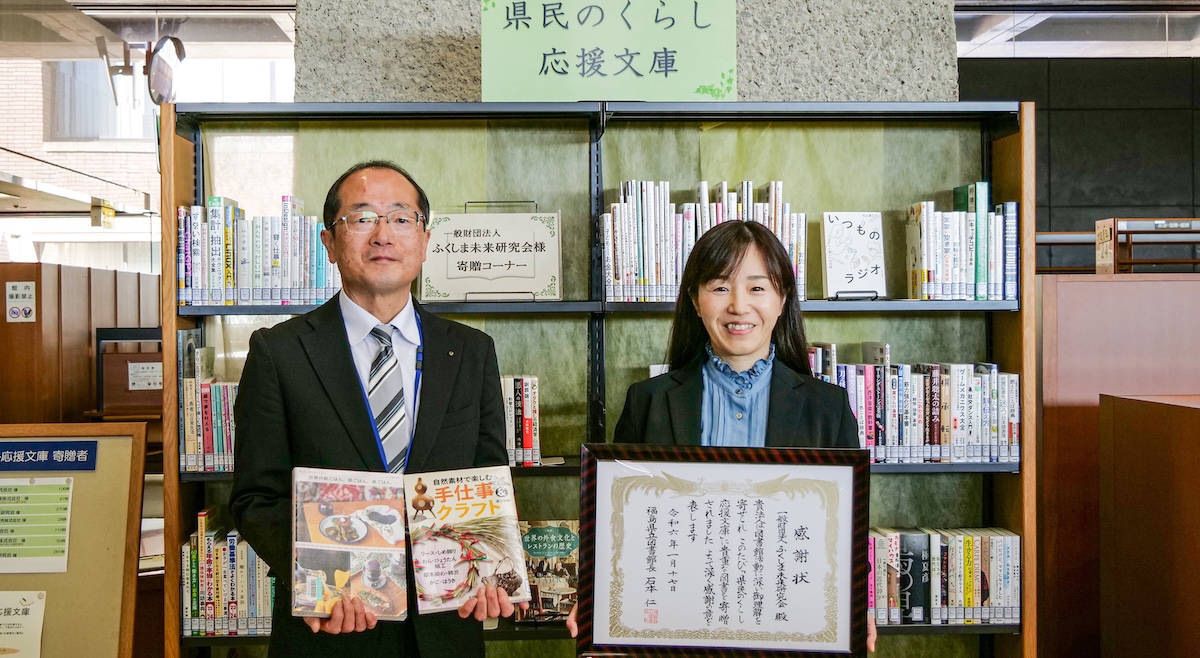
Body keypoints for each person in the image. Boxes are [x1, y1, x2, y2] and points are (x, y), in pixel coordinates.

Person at [230, 160, 521, 657]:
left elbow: (486, 477)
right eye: (362, 217)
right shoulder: (280, 353)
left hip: (445, 627)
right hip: (333, 629)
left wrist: (490, 567)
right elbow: (256, 497)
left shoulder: (471, 352)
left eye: (401, 218)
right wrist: (320, 579)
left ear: (424, 240)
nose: (383, 234)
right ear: (329, 242)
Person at [567, 219, 876, 651]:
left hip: (786, 628)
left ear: (782, 299)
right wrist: (599, 593)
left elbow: (844, 531)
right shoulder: (649, 402)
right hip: (677, 632)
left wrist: (858, 603)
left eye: (756, 288)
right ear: (695, 300)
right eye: (719, 287)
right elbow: (624, 526)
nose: (738, 306)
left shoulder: (827, 407)